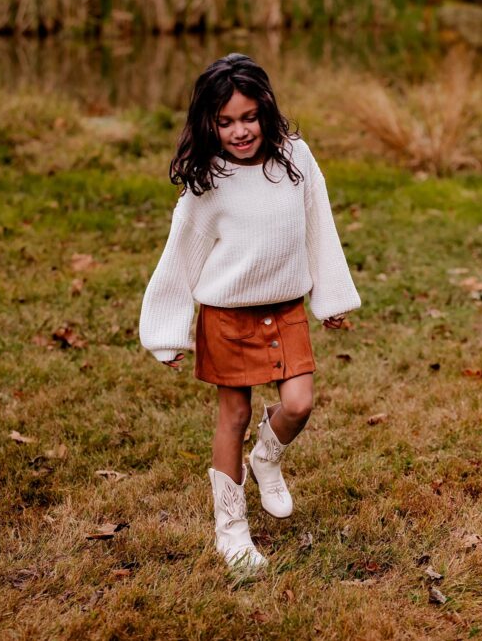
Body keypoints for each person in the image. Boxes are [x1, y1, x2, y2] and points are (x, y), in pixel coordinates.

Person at [139, 53, 360, 574]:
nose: (240, 131)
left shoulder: (296, 158)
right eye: (226, 122)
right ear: (209, 124)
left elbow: (318, 225)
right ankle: (231, 528)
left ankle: (267, 458)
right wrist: (166, 331)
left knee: (300, 403)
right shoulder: (206, 182)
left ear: (265, 111)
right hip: (227, 316)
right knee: (233, 416)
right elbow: (181, 255)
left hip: (285, 309)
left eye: (249, 117)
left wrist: (330, 299)